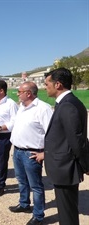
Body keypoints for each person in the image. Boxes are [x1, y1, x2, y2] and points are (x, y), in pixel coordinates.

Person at [44, 68, 87, 225]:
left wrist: (86, 165)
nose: (45, 86)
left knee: (67, 215)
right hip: (63, 168)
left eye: (47, 83)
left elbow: (77, 140)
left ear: (58, 84)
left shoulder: (68, 105)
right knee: (66, 212)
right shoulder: (65, 103)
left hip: (65, 168)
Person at [9, 81, 53, 225]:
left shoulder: (43, 109)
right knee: (21, 181)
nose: (17, 94)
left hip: (32, 153)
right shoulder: (21, 107)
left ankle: (38, 216)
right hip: (17, 151)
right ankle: (24, 204)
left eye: (20, 92)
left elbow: (52, 134)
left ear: (28, 93)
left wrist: (44, 154)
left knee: (36, 186)